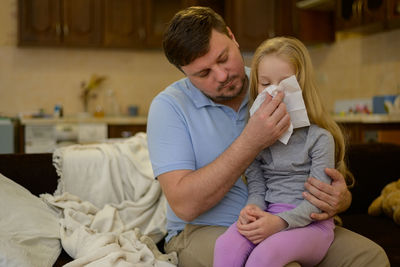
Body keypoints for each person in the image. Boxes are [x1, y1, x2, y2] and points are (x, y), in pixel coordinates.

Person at [147, 6, 389, 267]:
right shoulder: (169, 107)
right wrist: (251, 141)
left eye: (223, 57)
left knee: (371, 257)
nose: (222, 75)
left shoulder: (272, 81)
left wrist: (340, 199)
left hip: (295, 220)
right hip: (203, 229)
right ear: (185, 74)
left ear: (232, 36)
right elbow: (184, 206)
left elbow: (318, 155)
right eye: (203, 73)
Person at [213, 36, 355, 267]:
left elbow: (318, 202)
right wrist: (252, 210)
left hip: (311, 224)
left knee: (265, 255)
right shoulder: (256, 140)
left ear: (302, 86)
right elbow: (258, 190)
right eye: (266, 84)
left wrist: (278, 223)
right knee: (225, 246)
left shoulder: (319, 138)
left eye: (285, 84)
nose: (274, 93)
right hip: (269, 216)